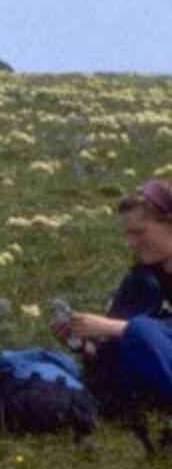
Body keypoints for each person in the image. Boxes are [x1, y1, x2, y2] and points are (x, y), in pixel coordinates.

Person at [52, 177, 172, 417]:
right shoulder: (141, 281)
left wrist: (117, 328)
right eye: (128, 234)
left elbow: (138, 333)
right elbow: (116, 349)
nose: (132, 243)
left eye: (139, 232)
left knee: (139, 329)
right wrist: (85, 343)